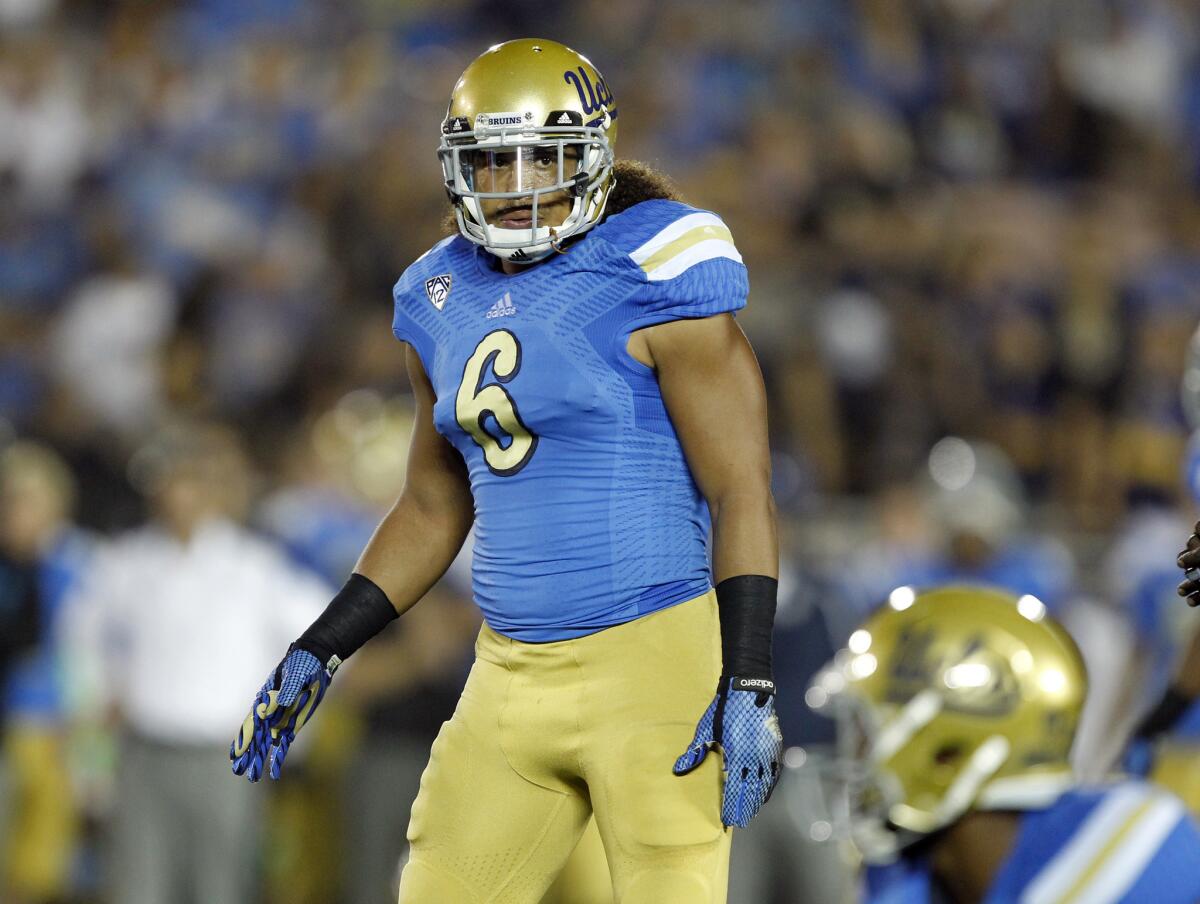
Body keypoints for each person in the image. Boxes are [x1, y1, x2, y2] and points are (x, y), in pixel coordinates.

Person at [231, 38, 782, 904]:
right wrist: (322, 646)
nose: (516, 184)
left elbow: (740, 486)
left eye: (542, 158)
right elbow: (428, 504)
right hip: (508, 671)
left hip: (651, 661)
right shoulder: (435, 295)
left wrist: (747, 673)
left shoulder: (656, 262)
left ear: (592, 158)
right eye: (492, 161)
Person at [65, 421, 331, 904]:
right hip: (143, 751)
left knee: (221, 889)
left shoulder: (254, 567)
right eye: (170, 479)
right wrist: (101, 693)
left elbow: (324, 638)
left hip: (222, 756)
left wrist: (282, 726)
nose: (179, 494)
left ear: (212, 489)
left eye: (191, 480)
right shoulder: (125, 563)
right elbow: (79, 635)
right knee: (137, 887)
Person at [808, 584, 1200, 904]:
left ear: (948, 754)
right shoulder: (899, 873)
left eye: (868, 732)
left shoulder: (1139, 841)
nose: (855, 757)